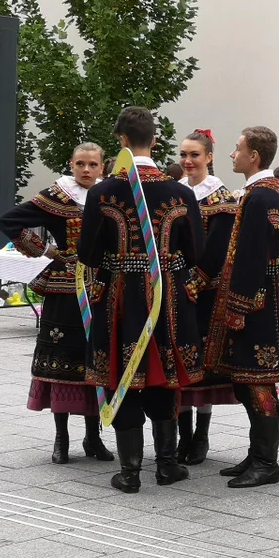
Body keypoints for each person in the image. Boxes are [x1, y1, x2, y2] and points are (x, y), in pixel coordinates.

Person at [78, 107, 206, 493]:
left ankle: (130, 472)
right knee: (164, 376)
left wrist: (119, 262)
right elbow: (196, 251)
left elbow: (87, 252)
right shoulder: (180, 192)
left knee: (123, 374)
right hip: (167, 297)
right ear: (154, 140)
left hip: (119, 297)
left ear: (120, 141)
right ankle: (167, 466)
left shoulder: (103, 191)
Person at [0, 143, 114, 465]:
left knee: (96, 359)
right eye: (80, 163)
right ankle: (61, 438)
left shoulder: (109, 195)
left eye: (92, 164)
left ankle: (94, 436)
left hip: (101, 286)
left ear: (102, 167)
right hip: (64, 289)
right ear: (71, 165)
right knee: (60, 359)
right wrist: (44, 249)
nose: (86, 170)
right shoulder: (57, 196)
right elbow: (9, 221)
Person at [204, 126, 279, 489]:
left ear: (254, 157)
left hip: (260, 304)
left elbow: (249, 256)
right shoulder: (267, 193)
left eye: (237, 149)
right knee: (248, 381)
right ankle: (256, 455)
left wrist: (238, 305)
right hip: (267, 299)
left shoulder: (261, 196)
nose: (232, 155)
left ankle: (266, 463)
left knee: (258, 382)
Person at [176, 129, 238, 465]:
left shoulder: (221, 197)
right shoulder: (176, 192)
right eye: (183, 155)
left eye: (194, 155)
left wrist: (195, 280)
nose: (187, 161)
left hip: (207, 290)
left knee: (204, 362)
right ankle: (183, 434)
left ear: (209, 157)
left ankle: (200, 436)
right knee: (181, 360)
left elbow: (219, 247)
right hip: (176, 287)